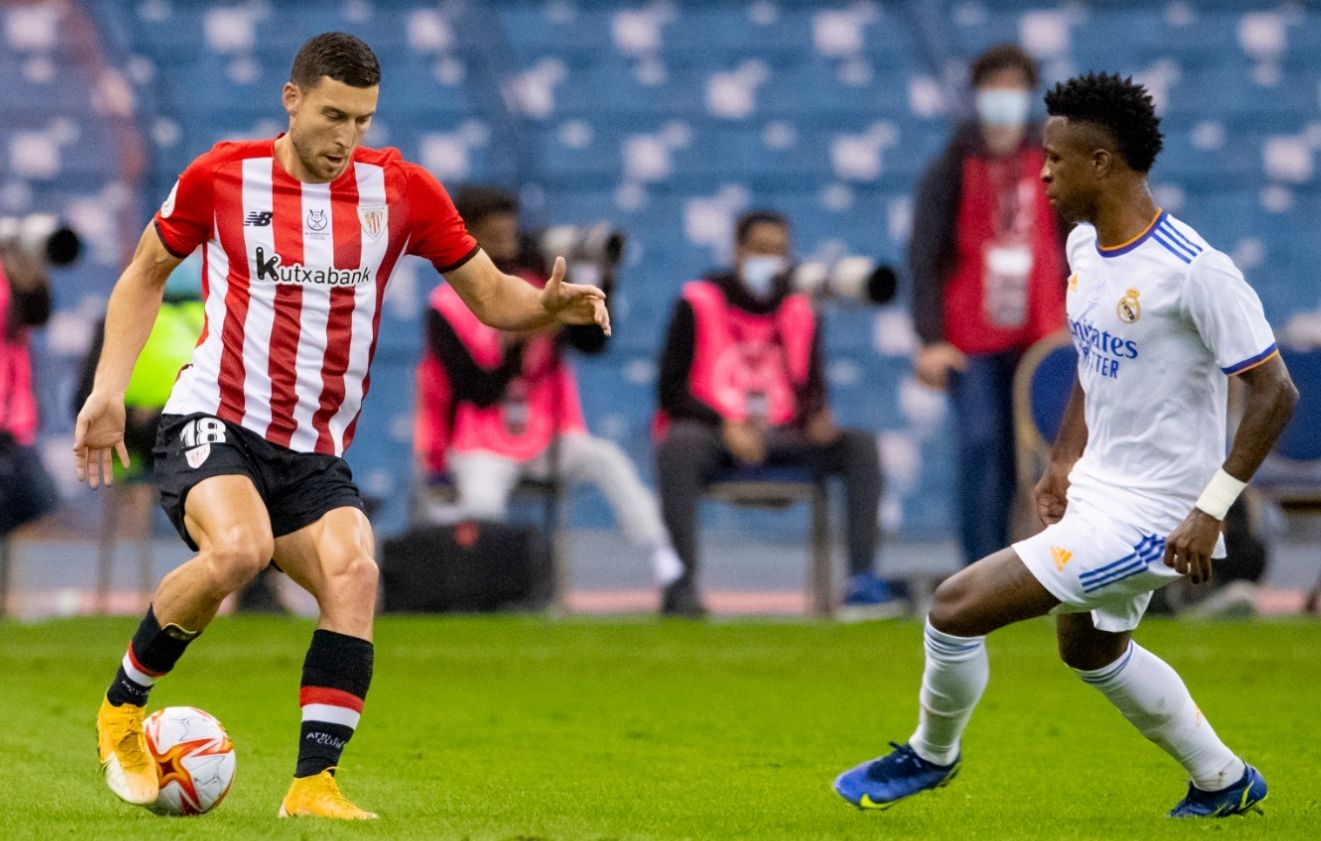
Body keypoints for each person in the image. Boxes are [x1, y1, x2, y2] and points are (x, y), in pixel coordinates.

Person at [75, 32, 608, 821]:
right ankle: (121, 708)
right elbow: (145, 273)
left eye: (361, 120)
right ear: (291, 102)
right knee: (241, 548)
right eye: (332, 115)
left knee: (356, 571)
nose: (345, 137)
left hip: (311, 448)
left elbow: (495, 299)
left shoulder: (403, 192)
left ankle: (312, 786)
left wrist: (545, 307)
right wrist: (108, 391)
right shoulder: (223, 175)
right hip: (214, 415)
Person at [833, 73, 1298, 818]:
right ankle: (1223, 779)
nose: (1041, 172)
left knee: (954, 606)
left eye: (1054, 159)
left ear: (1102, 163)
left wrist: (1209, 510)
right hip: (1097, 492)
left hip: (1157, 516)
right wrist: (1060, 462)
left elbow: (1275, 391)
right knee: (1088, 651)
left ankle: (930, 753)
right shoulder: (1084, 247)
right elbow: (1092, 356)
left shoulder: (1194, 270)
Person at [417, 186, 682, 592]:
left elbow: (592, 345)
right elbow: (476, 390)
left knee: (608, 460)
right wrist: (521, 336)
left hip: (547, 432)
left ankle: (664, 561)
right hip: (480, 440)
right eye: (496, 238)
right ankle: (493, 589)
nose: (507, 248)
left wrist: (595, 281)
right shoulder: (446, 303)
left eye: (511, 236)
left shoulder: (541, 285)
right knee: (484, 507)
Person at [654, 210, 897, 618]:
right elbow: (670, 391)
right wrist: (724, 424)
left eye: (780, 251)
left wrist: (817, 416)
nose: (772, 260)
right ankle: (681, 587)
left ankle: (862, 583)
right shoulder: (698, 299)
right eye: (761, 250)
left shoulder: (801, 305)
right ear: (738, 251)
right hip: (717, 435)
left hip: (782, 434)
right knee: (677, 445)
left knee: (859, 445)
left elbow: (811, 386)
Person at [909, 44, 1069, 565]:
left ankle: (1055, 568)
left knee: (1046, 454)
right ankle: (980, 571)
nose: (1003, 99)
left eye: (1013, 87)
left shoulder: (1055, 164)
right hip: (970, 341)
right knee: (981, 449)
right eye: (994, 88)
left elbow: (1080, 244)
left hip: (1043, 336)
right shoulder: (950, 168)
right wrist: (930, 340)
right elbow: (924, 257)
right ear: (978, 96)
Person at [0, 244, 58, 538]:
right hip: (9, 422)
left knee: (36, 499)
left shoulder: (15, 279)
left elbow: (38, 312)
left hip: (12, 425)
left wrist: (26, 264)